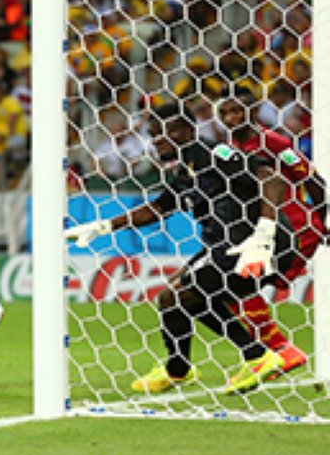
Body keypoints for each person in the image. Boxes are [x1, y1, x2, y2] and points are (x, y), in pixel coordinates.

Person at [64, 105, 294, 395]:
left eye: (167, 133)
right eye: (154, 135)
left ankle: (257, 357)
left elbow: (270, 176)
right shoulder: (187, 170)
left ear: (189, 130)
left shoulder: (213, 153)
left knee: (180, 295)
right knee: (174, 299)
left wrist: (264, 234)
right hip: (228, 246)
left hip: (256, 244)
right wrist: (104, 226)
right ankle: (180, 369)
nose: (159, 141)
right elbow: (158, 209)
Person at [218, 88, 325, 377]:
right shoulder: (230, 147)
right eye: (224, 112)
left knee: (235, 284)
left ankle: (279, 352)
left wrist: (323, 221)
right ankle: (276, 354)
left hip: (296, 228)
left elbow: (313, 180)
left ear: (253, 112)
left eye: (236, 111)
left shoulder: (274, 143)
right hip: (266, 230)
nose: (229, 118)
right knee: (229, 287)